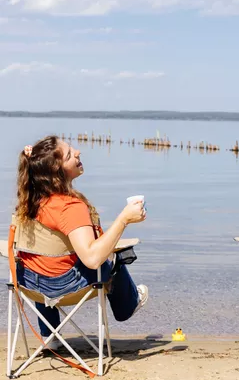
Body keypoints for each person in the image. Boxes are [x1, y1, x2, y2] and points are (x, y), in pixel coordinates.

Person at [15, 135, 148, 349]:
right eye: (69, 154)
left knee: (40, 260)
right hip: (66, 287)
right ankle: (128, 304)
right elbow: (92, 258)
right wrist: (124, 219)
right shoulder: (70, 207)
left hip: (31, 284)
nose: (77, 152)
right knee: (113, 255)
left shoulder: (29, 200)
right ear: (57, 172)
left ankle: (49, 335)